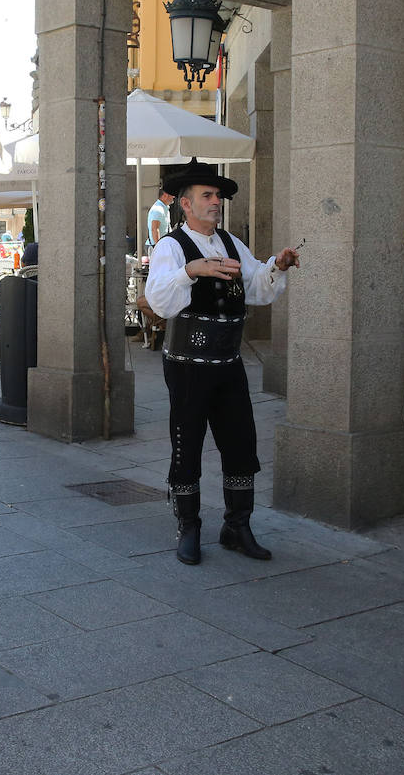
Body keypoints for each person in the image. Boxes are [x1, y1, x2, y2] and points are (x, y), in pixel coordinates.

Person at [143, 159, 300, 565]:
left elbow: (257, 290)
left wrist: (276, 267)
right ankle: (189, 527)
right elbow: (158, 300)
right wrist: (189, 272)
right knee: (187, 444)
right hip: (188, 364)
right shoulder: (171, 246)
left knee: (239, 441)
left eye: (218, 197)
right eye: (207, 196)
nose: (216, 203)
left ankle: (237, 526)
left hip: (228, 362)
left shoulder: (231, 244)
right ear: (186, 204)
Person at [146, 187, 176, 253]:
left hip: (161, 246)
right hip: (156, 247)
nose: (173, 197)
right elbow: (154, 229)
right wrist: (159, 247)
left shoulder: (163, 208)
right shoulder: (158, 209)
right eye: (171, 195)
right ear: (165, 195)